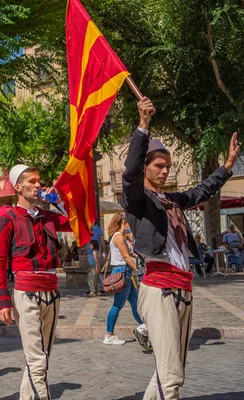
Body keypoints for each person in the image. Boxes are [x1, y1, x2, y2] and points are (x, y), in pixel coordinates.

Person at [122, 97, 239, 399]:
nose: (164, 171)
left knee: (171, 371)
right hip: (159, 289)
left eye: (168, 166)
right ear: (145, 166)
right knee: (171, 374)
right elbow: (129, 173)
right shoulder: (137, 200)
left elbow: (200, 191)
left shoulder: (171, 200)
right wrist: (143, 125)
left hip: (183, 289)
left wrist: (226, 167)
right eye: (159, 165)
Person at [0, 164, 73, 400]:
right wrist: (1, 302)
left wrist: (57, 201)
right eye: (32, 181)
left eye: (39, 181)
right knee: (37, 360)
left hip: (52, 292)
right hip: (26, 292)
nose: (38, 185)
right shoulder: (7, 219)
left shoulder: (48, 216)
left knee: (42, 355)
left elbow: (74, 221)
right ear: (18, 187)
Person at [102, 214, 149, 349]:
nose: (130, 226)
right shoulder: (118, 237)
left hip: (125, 272)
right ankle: (109, 335)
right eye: (128, 223)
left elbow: (131, 254)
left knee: (135, 303)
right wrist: (139, 270)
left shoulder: (119, 237)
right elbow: (126, 256)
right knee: (118, 304)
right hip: (122, 272)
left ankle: (145, 328)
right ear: (123, 223)